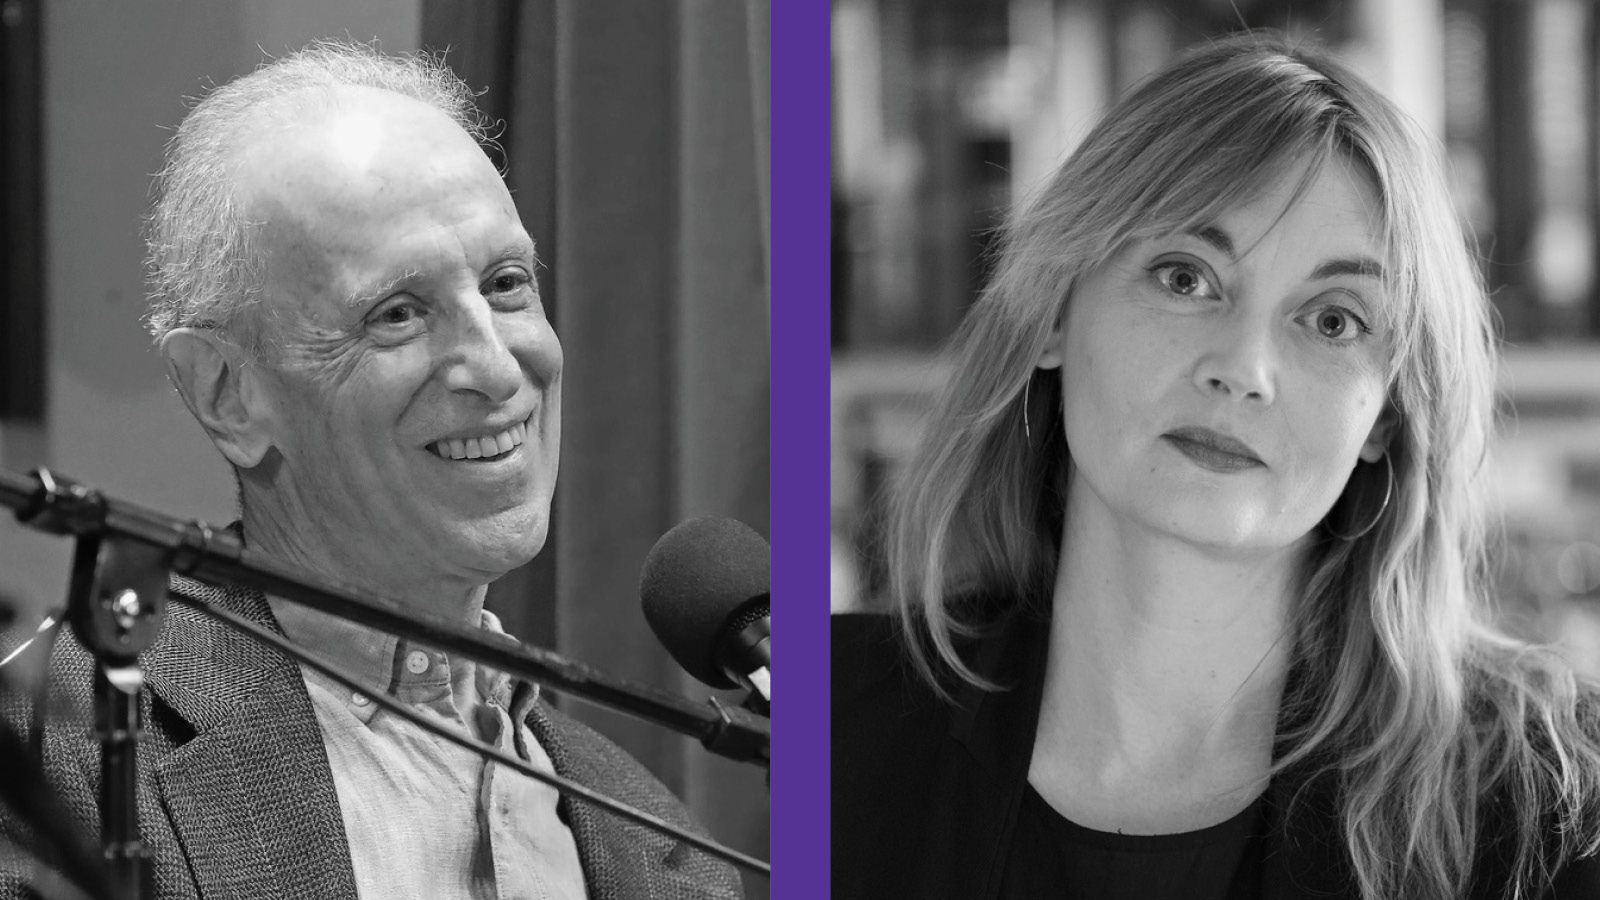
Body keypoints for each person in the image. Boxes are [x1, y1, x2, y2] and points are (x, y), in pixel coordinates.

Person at [833, 32, 1600, 900]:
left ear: (1385, 414)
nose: (1243, 367)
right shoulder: (823, 728)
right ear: (1052, 312)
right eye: (1185, 277)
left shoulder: (1548, 807)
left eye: (1335, 320)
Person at [2, 41, 741, 899]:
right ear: (227, 394)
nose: (499, 368)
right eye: (396, 313)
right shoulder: (54, 765)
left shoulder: (660, 842)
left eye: (506, 284)